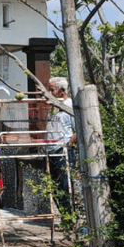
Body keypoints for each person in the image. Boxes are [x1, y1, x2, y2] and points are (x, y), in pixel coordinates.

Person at [46, 77, 78, 212]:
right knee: (54, 184)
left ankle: (71, 216)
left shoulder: (70, 106)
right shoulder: (55, 107)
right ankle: (65, 215)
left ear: (62, 91)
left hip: (62, 149)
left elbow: (78, 129)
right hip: (51, 149)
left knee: (65, 183)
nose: (50, 92)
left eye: (52, 90)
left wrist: (69, 144)